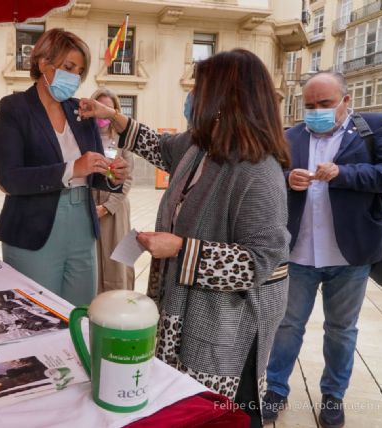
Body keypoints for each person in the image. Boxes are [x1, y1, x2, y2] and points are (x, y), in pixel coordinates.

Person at [79, 49, 291, 427]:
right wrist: (114, 117)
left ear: (227, 98)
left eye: (199, 88)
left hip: (225, 321)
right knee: (186, 400)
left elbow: (261, 260)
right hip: (185, 305)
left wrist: (180, 248)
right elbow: (159, 147)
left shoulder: (258, 171)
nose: (192, 97)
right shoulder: (201, 145)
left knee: (227, 411)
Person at [262, 72, 382, 428]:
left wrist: (344, 173)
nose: (316, 111)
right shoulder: (289, 137)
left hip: (350, 254)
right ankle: (275, 389)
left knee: (341, 329)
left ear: (346, 101)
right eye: (309, 105)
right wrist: (287, 179)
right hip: (299, 253)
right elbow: (270, 176)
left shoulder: (375, 129)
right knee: (288, 325)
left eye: (325, 104)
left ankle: (333, 395)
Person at [0, 28, 129, 306]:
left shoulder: (82, 111)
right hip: (33, 226)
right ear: (43, 63)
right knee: (36, 315)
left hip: (82, 227)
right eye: (68, 67)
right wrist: (71, 169)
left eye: (79, 71)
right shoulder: (14, 108)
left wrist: (114, 175)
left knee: (79, 313)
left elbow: (97, 174)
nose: (74, 77)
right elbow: (9, 177)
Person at [90, 87, 135, 293]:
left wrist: (107, 207)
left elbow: (128, 179)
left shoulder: (123, 140)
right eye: (99, 107)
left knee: (117, 262)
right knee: (93, 262)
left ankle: (119, 304)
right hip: (89, 206)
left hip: (114, 210)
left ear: (115, 111)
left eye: (108, 108)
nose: (103, 113)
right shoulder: (84, 137)